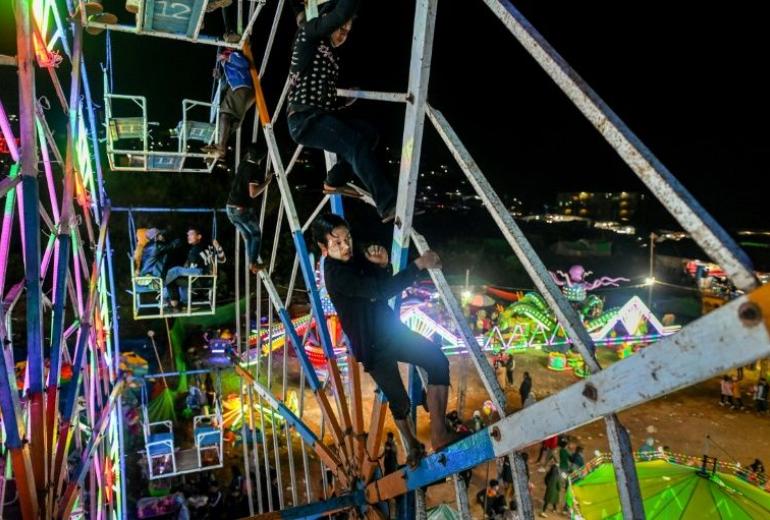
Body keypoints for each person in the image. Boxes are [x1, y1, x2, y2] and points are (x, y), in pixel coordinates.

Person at [314, 213, 451, 465]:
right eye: (337, 243)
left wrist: (383, 264)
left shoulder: (354, 257)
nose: (345, 246)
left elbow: (381, 282)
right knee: (400, 402)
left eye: (347, 239)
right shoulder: (336, 276)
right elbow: (380, 290)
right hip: (372, 347)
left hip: (390, 331)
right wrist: (419, 265)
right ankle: (411, 446)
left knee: (437, 361)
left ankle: (439, 433)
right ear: (324, 248)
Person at [287, 0, 399, 223]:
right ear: (327, 22)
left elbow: (324, 97)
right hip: (303, 119)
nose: (343, 36)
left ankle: (334, 180)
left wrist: (344, 101)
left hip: (320, 114)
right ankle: (388, 205)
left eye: (348, 32)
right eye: (341, 29)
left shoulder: (333, 58)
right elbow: (338, 15)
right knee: (354, 143)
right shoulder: (308, 34)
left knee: (368, 134)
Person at [226, 145, 272, 274]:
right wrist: (267, 182)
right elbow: (253, 193)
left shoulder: (243, 164)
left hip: (230, 208)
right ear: (261, 158)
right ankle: (253, 264)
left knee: (247, 236)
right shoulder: (254, 170)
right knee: (255, 235)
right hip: (241, 209)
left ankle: (252, 263)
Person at [203, 49, 255, 160]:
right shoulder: (227, 66)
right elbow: (225, 85)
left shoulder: (233, 55)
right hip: (239, 89)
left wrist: (227, 57)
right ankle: (219, 149)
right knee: (231, 121)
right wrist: (219, 78)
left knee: (224, 114)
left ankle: (221, 147)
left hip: (241, 86)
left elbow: (244, 64)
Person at [164, 227, 226, 309]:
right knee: (172, 282)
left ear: (199, 236)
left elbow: (222, 260)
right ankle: (180, 303)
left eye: (191, 234)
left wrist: (217, 246)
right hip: (202, 279)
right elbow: (222, 260)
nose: (188, 236)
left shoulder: (199, 249)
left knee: (175, 271)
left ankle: (166, 292)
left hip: (201, 276)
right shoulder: (200, 248)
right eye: (188, 235)